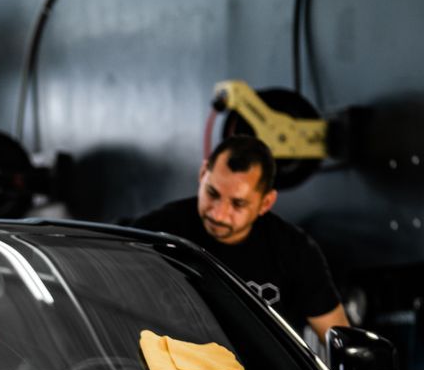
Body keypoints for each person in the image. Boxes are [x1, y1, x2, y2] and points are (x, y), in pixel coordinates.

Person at [133, 136, 350, 343]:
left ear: (265, 203)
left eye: (237, 204)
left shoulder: (295, 251)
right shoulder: (158, 229)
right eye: (212, 193)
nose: (218, 214)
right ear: (202, 174)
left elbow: (340, 339)